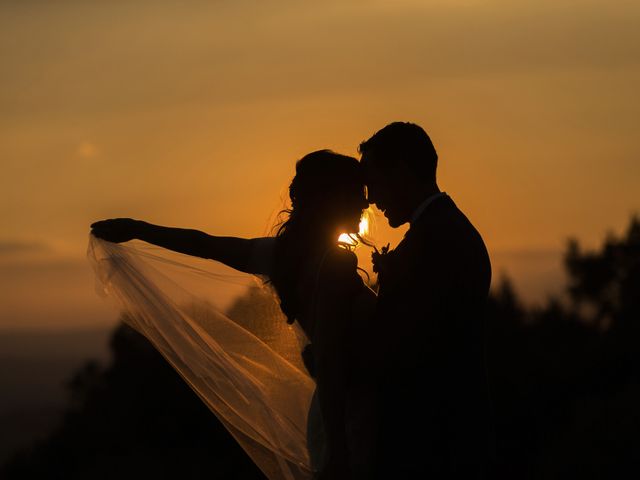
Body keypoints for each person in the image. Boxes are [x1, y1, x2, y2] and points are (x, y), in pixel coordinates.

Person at [90, 150, 376, 480]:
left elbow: (207, 245)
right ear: (333, 198)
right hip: (350, 419)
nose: (365, 204)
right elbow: (328, 360)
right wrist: (339, 452)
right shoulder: (334, 265)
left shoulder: (282, 256)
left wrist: (140, 229)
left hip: (332, 417)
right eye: (359, 193)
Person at [360, 122, 493, 479]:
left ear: (401, 172)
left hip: (430, 444)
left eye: (374, 181)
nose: (370, 198)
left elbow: (410, 345)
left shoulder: (436, 240)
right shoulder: (446, 230)